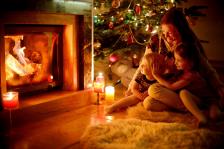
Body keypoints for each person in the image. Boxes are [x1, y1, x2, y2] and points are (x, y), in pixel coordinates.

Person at [129, 7, 224, 120]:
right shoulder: (156, 40)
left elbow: (207, 70)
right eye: (164, 32)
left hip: (186, 91)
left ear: (180, 30)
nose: (166, 36)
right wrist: (131, 85)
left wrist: (218, 86)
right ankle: (191, 108)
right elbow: (143, 64)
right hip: (169, 90)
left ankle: (193, 108)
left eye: (170, 32)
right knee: (149, 103)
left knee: (154, 90)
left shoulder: (187, 47)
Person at [146, 43, 220, 126]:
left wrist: (156, 76)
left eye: (179, 60)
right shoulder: (183, 70)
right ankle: (200, 112)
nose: (176, 63)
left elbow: (172, 87)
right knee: (149, 103)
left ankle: (202, 117)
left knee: (214, 115)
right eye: (175, 59)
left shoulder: (191, 75)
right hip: (195, 98)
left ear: (191, 63)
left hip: (207, 100)